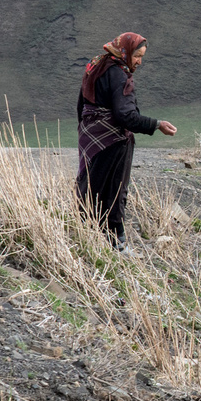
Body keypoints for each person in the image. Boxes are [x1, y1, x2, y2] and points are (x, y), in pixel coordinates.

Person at [76, 32, 175, 244]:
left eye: (141, 57)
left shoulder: (96, 65)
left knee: (89, 188)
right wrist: (157, 125)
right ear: (126, 52)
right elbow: (126, 116)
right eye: (137, 55)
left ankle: (83, 238)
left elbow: (82, 104)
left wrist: (87, 129)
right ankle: (117, 243)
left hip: (90, 138)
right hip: (114, 141)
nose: (139, 61)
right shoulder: (120, 75)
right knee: (114, 191)